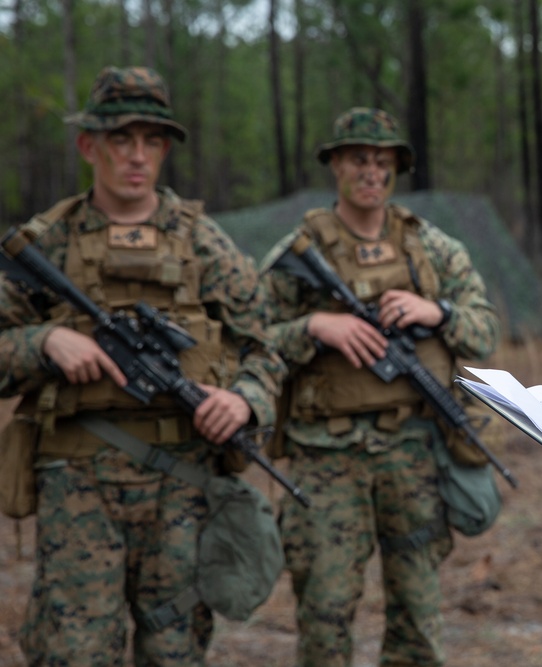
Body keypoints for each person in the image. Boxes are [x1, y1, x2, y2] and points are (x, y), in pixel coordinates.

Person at [0, 66, 285, 665]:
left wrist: (244, 401)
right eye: (120, 140)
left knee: (175, 651)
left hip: (182, 487)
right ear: (88, 146)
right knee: (74, 653)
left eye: (151, 141)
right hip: (76, 488)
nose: (137, 156)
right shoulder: (45, 243)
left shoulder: (206, 244)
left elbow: (264, 347)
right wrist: (44, 342)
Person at [259, 107, 500, 666]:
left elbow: (483, 328)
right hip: (324, 458)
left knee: (417, 617)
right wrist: (315, 327)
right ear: (336, 165)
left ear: (395, 169)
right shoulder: (299, 251)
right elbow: (247, 340)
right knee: (325, 613)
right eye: (358, 159)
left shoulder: (430, 248)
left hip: (412, 451)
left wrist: (434, 310)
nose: (371, 171)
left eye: (382, 161)